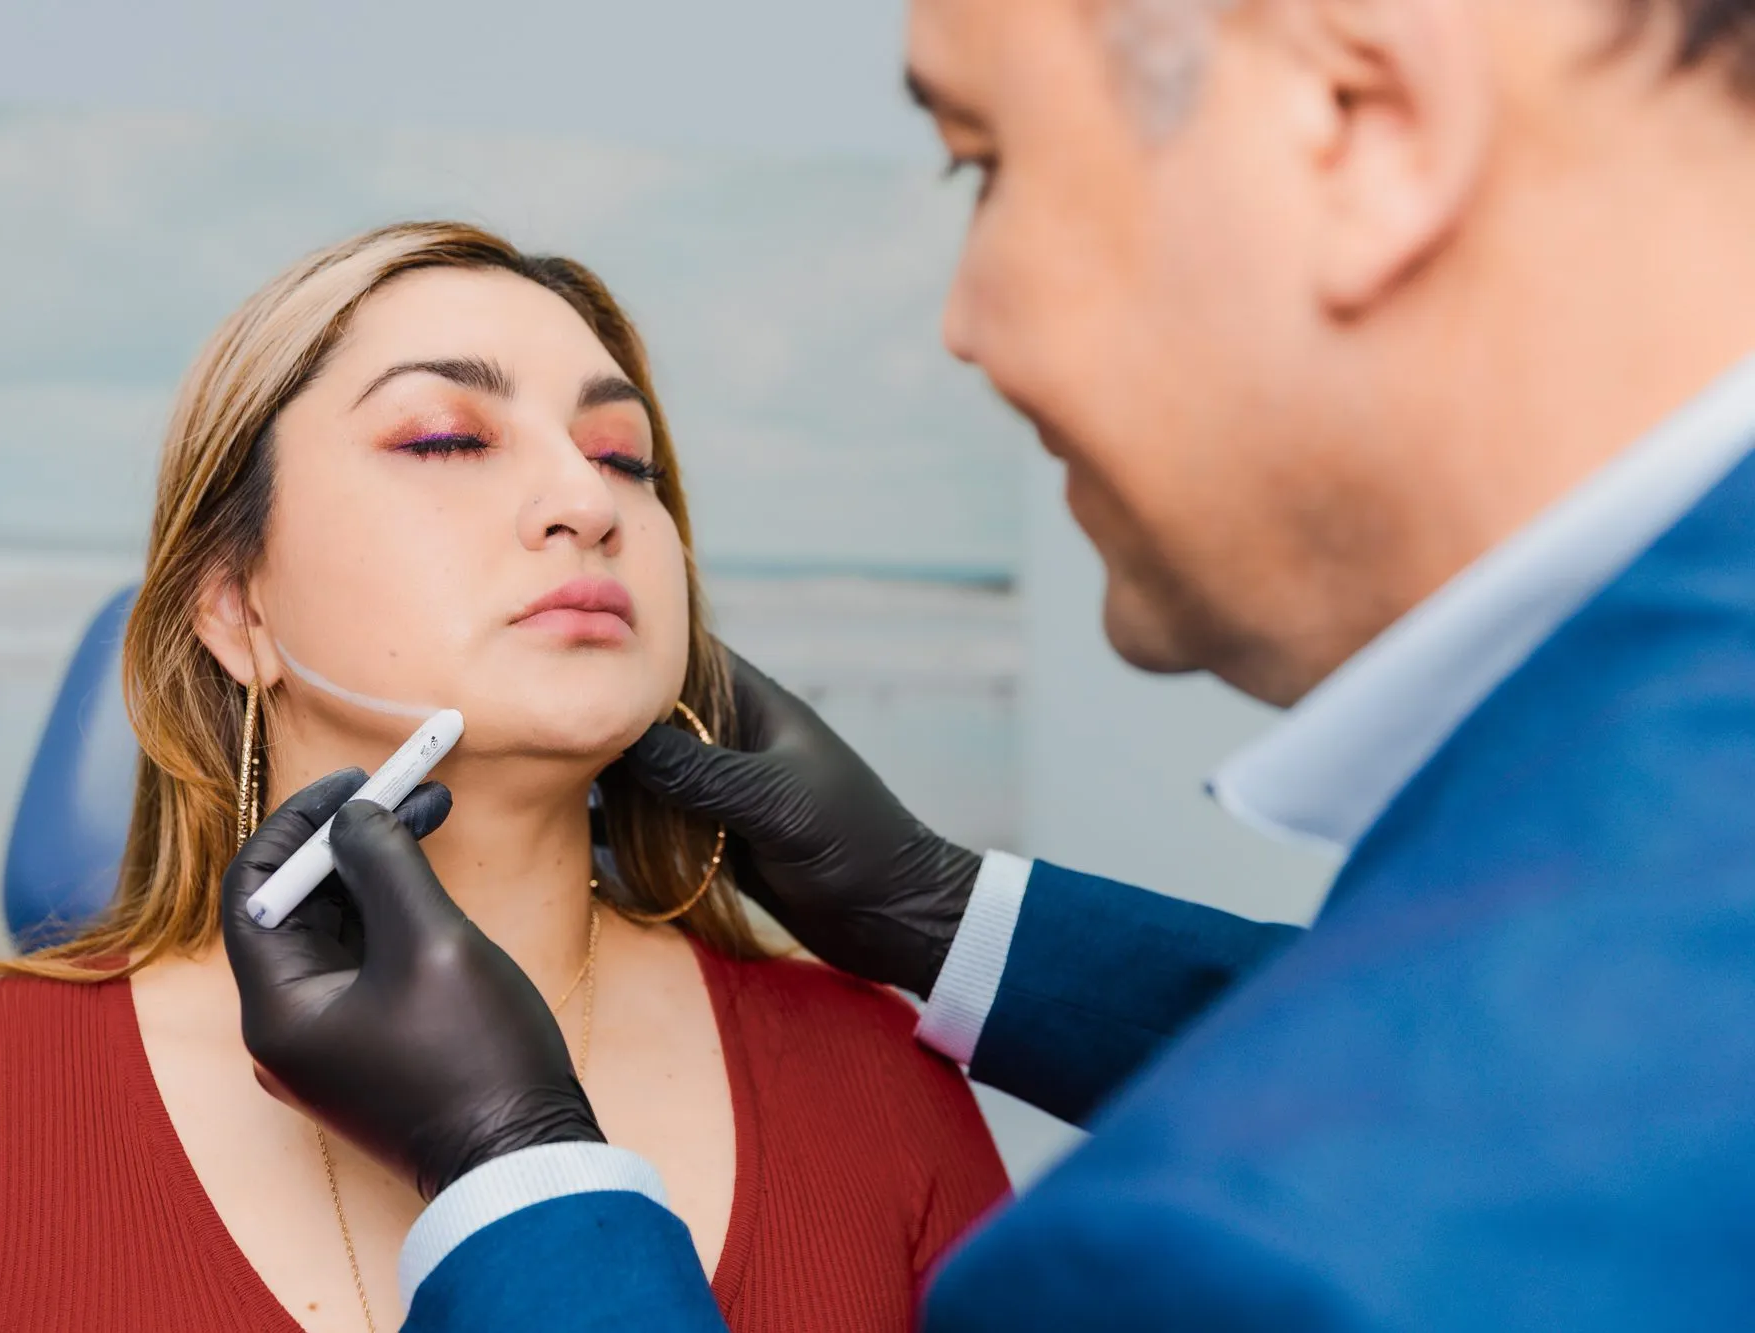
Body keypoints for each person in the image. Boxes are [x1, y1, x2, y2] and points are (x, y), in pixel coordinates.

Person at [221, 2, 1755, 1329]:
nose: (961, 327)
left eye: (986, 162)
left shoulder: (1219, 1243)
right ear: (226, 606)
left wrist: (513, 1170)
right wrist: (942, 912)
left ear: (1357, 121)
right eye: (446, 437)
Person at [0, 222, 1013, 1330]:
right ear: (235, 606)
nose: (584, 500)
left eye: (622, 456)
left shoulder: (877, 1082)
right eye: (446, 438)